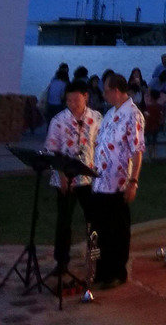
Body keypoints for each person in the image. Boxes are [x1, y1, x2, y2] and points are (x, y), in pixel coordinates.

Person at [89, 72, 145, 289]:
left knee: (117, 230)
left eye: (106, 90)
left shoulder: (133, 114)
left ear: (115, 90)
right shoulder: (111, 113)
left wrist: (133, 181)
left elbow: (137, 150)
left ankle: (116, 272)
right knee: (101, 229)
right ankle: (101, 270)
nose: (104, 95)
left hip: (118, 183)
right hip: (100, 182)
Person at [45, 80, 101, 276]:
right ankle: (61, 262)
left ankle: (95, 259)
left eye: (76, 99)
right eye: (68, 100)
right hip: (65, 179)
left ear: (85, 96)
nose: (72, 103)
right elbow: (51, 151)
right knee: (64, 221)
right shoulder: (58, 120)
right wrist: (61, 175)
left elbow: (100, 146)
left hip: (89, 180)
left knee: (94, 220)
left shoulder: (96, 118)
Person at [143, 86, 166, 159]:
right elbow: (162, 117)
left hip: (148, 126)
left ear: (151, 97)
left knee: (149, 142)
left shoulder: (148, 107)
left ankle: (149, 156)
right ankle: (155, 155)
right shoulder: (160, 107)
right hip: (156, 126)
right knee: (154, 141)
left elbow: (146, 117)